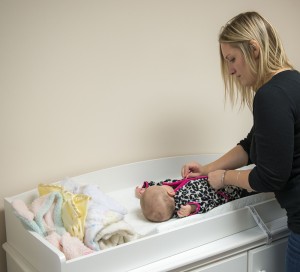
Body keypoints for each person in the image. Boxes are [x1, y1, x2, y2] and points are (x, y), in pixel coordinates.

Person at [181, 11, 300, 272]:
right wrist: (207, 168)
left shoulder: (271, 96)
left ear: (254, 49)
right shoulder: (293, 82)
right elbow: (251, 145)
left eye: (232, 59)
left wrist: (225, 178)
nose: (231, 70)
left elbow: (269, 178)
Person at [135, 176, 244, 222]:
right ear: (170, 192)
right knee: (241, 188)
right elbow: (205, 204)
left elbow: (159, 187)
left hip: (214, 180)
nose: (163, 184)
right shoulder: (183, 207)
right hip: (224, 191)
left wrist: (145, 189)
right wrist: (191, 208)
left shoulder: (169, 195)